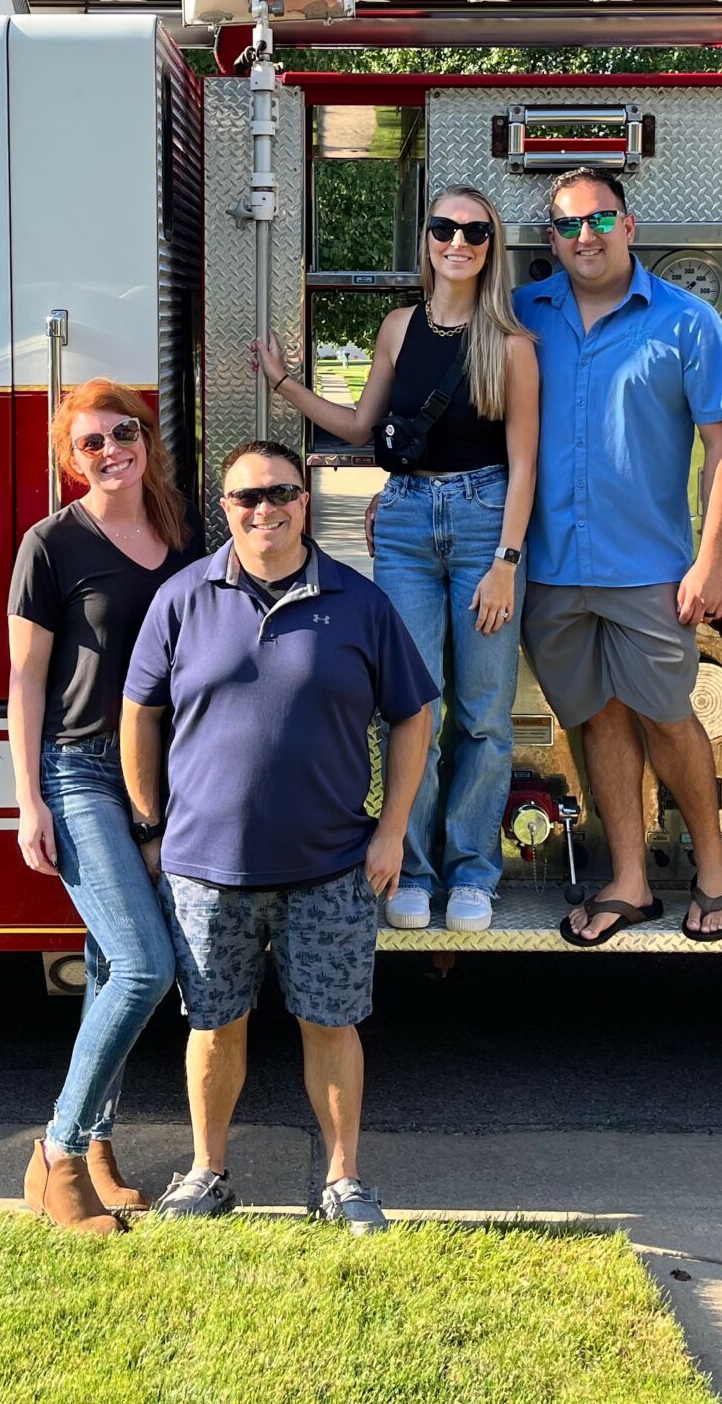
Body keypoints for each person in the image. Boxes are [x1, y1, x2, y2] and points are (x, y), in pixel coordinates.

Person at [121, 441, 435, 1233]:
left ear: (305, 502)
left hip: (331, 865)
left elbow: (413, 714)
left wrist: (391, 830)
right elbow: (139, 714)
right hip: (205, 867)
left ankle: (344, 1181)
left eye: (280, 493)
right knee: (212, 1022)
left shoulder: (360, 603)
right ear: (223, 508)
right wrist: (151, 825)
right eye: (244, 497)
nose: (263, 509)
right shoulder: (183, 599)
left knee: (332, 1024)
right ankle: (206, 1171)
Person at [255, 184, 539, 934]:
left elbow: (524, 463)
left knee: (482, 713)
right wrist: (283, 382)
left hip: (485, 523)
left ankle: (473, 872)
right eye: (445, 227)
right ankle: (412, 867)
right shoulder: (397, 327)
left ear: (491, 245)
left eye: (475, 231)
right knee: (415, 705)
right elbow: (357, 423)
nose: (459, 241)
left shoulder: (511, 344)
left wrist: (507, 560)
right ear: (427, 239)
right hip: (407, 518)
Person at [512, 168, 722, 947]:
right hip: (549, 567)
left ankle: (712, 869)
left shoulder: (686, 321)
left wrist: (711, 559)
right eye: (570, 224)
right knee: (593, 718)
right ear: (550, 238)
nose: (587, 235)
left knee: (668, 716)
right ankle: (629, 880)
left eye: (601, 219)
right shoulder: (522, 317)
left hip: (649, 567)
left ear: (630, 224)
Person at [8, 381, 199, 1234]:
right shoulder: (50, 544)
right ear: (70, 460)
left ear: (144, 437)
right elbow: (24, 680)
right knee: (146, 963)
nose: (112, 448)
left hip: (161, 776)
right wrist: (27, 801)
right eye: (91, 442)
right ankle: (56, 1151)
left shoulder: (181, 534)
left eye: (124, 431)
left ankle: (97, 1142)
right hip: (80, 772)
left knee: (114, 970)